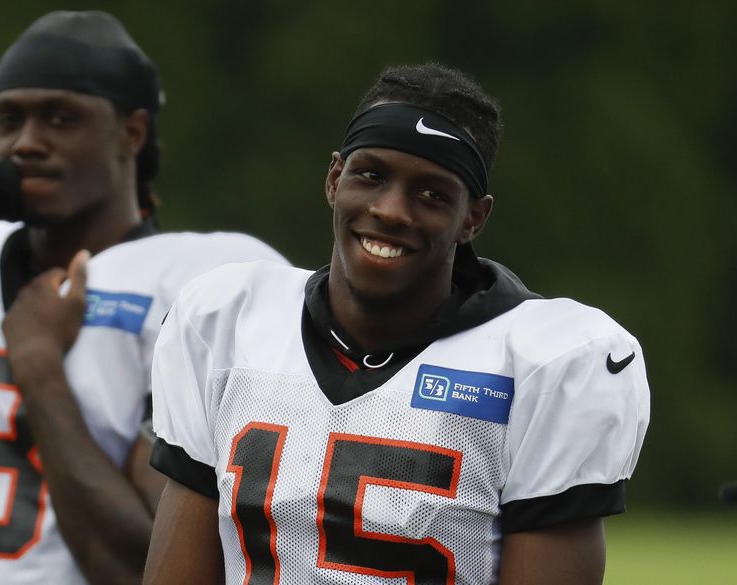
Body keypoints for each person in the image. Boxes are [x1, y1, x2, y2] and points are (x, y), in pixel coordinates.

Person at [142, 63, 651, 585]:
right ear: (335, 178)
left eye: (432, 194)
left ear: (473, 217)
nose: (391, 210)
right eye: (372, 175)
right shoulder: (228, 319)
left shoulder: (547, 361)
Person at [0, 10, 286, 585]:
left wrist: (39, 366)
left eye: (61, 118)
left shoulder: (198, 284)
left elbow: (148, 566)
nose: (27, 143)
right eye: (10, 119)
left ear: (131, 133)